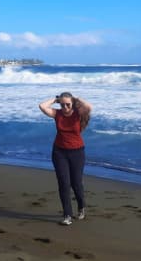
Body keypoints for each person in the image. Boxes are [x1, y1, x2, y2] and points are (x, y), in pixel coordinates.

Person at [39, 92, 92, 225]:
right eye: (62, 105)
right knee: (64, 183)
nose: (65, 107)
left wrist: (76, 99)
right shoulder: (57, 114)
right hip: (59, 152)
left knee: (76, 183)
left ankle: (81, 207)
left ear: (72, 104)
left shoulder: (78, 114)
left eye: (68, 104)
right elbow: (42, 106)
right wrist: (56, 99)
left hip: (77, 152)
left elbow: (89, 107)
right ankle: (67, 215)